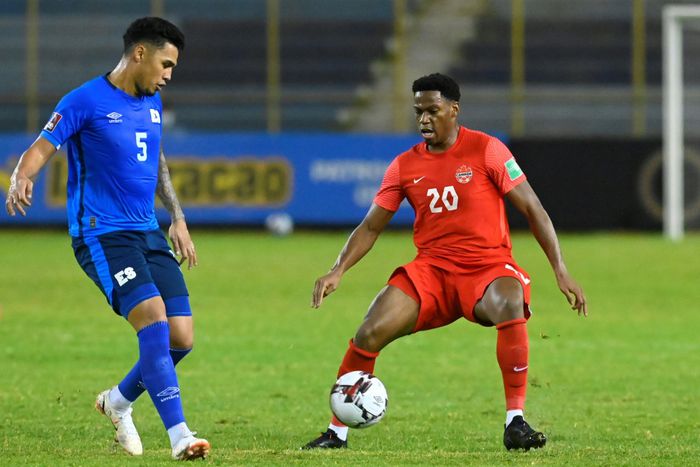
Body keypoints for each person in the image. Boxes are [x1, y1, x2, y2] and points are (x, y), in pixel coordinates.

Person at [302, 73, 586, 451]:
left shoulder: (488, 150)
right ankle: (336, 432)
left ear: (454, 110)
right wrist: (338, 269)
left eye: (432, 111)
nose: (424, 119)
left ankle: (515, 421)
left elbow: (534, 209)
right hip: (431, 272)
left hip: (486, 267)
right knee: (369, 332)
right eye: (418, 112)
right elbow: (371, 226)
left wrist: (560, 269)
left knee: (509, 300)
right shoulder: (403, 166)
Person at [5, 17, 210, 460]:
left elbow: (156, 159)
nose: (168, 76)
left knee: (181, 337)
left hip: (147, 232)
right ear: (140, 53)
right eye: (166, 64)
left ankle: (117, 402)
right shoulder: (85, 100)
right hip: (103, 235)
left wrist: (177, 216)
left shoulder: (152, 103)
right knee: (153, 319)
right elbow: (42, 145)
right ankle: (180, 436)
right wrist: (22, 174)